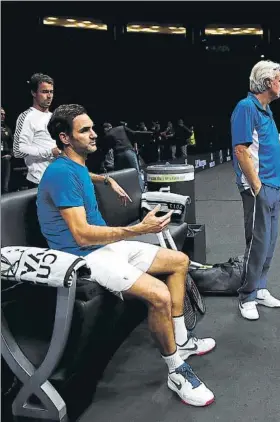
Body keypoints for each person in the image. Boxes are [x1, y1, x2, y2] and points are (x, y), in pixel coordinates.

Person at [37, 104, 216, 406]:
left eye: (92, 127)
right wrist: (138, 229)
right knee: (159, 295)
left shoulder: (75, 166)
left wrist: (106, 179)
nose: (94, 134)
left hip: (104, 247)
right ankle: (176, 371)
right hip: (82, 257)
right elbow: (81, 234)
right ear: (65, 138)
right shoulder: (60, 174)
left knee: (179, 261)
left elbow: (80, 175)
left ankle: (182, 342)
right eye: (85, 130)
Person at [230, 60, 280, 321]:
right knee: (257, 242)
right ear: (266, 83)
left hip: (273, 186)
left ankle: (260, 287)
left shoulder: (265, 110)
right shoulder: (246, 107)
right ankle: (247, 295)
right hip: (258, 188)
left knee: (269, 242)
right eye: (279, 79)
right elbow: (241, 150)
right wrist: (257, 186)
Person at [13, 73, 61, 188]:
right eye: (44, 92)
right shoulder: (26, 117)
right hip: (40, 183)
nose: (49, 96)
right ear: (34, 93)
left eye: (51, 92)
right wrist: (50, 152)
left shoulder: (54, 116)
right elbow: (18, 151)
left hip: (59, 179)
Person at [1, 107, 13, 193]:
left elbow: (14, 145)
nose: (3, 116)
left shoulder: (7, 129)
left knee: (4, 186)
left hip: (4, 159)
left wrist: (10, 155)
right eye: (1, 114)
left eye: (4, 114)